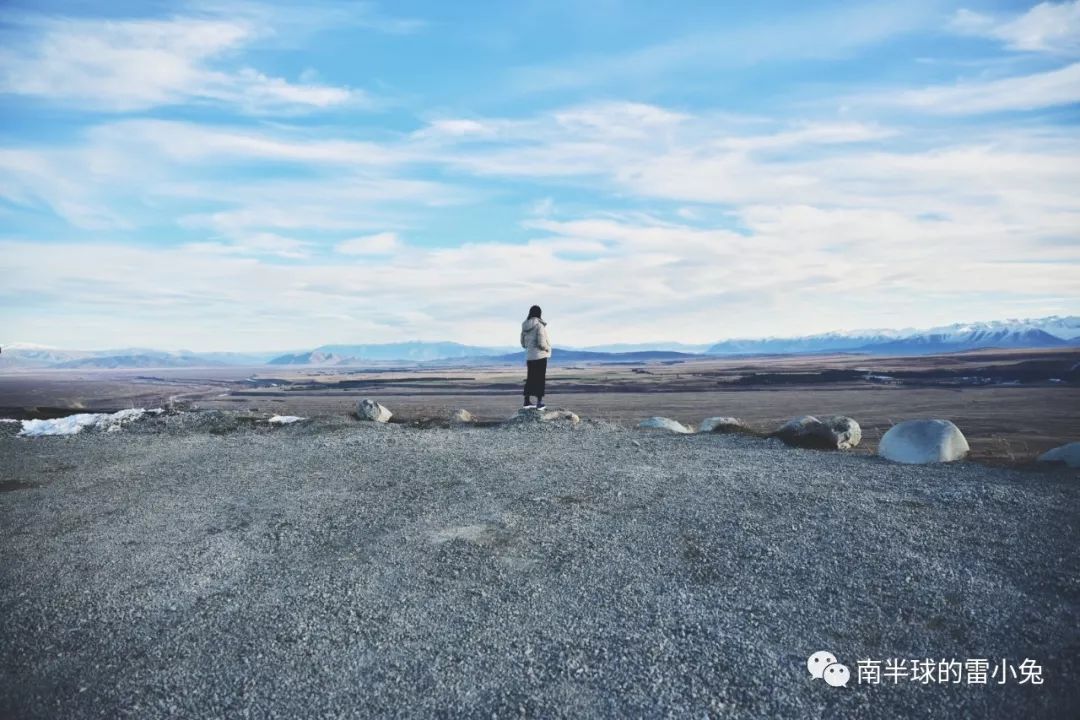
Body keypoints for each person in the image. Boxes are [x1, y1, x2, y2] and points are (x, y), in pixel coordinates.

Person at [520, 305, 551, 409]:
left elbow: (523, 344)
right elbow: (541, 342)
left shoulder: (524, 326)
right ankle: (539, 402)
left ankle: (526, 401)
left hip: (530, 357)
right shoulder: (539, 325)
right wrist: (547, 348)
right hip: (540, 356)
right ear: (539, 314)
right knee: (540, 379)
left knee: (530, 379)